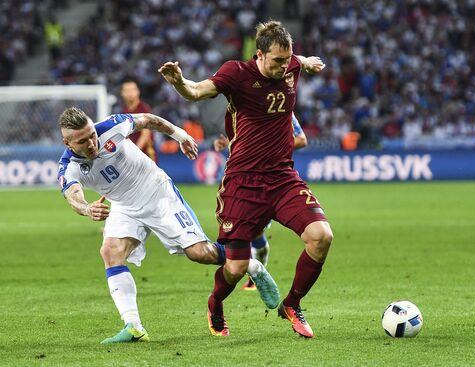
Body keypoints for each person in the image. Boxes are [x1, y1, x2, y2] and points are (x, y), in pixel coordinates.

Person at [159, 20, 333, 338]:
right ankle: (215, 302)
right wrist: (180, 82)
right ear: (260, 55)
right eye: (278, 61)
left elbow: (299, 61)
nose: (285, 66)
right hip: (243, 183)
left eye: (289, 59)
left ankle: (292, 304)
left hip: (283, 178)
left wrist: (308, 62)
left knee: (321, 236)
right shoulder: (236, 73)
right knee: (237, 267)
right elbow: (197, 91)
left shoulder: (290, 64)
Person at [56, 107, 279, 344]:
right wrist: (86, 208)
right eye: (83, 141)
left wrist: (180, 136)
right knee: (110, 252)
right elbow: (72, 195)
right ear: (67, 142)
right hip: (124, 206)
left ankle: (252, 265)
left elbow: (149, 120)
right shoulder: (68, 166)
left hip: (156, 192)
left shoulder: (111, 126)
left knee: (199, 253)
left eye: (92, 135)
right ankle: (134, 327)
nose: (92, 142)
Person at [213, 112, 307, 291]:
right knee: (246, 231)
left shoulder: (281, 107)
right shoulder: (244, 106)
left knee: (254, 231)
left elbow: (301, 139)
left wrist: (269, 152)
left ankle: (254, 274)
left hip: (269, 178)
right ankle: (251, 271)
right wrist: (228, 143)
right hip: (242, 179)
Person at [120, 77, 157, 162]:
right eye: (127, 91)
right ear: (122, 93)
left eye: (133, 90)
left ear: (138, 91)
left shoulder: (144, 110)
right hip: (132, 156)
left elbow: (145, 135)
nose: (130, 93)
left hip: (145, 156)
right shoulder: (124, 111)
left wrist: (134, 153)